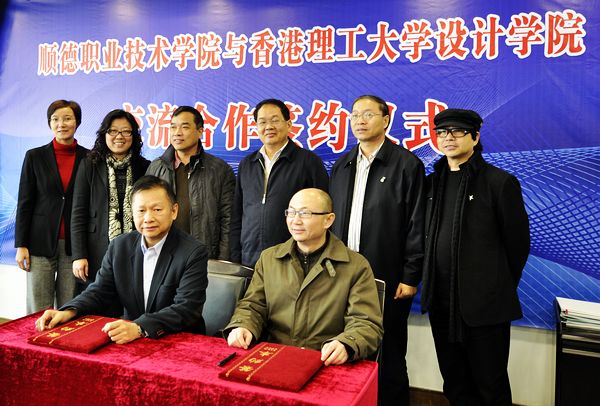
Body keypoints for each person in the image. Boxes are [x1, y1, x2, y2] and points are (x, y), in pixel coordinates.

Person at [420, 109, 530, 405]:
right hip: (441, 303)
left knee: (490, 385)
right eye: (442, 132)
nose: (449, 138)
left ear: (475, 137)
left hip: (484, 307)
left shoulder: (499, 182)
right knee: (454, 382)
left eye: (457, 131)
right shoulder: (431, 184)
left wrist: (494, 286)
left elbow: (518, 245)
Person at [329, 95, 425, 405]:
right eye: (354, 115)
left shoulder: (406, 164)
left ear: (386, 120)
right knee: (345, 345)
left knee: (390, 351)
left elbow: (416, 223)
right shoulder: (342, 165)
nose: (359, 120)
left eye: (368, 114)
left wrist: (410, 275)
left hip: (387, 275)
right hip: (342, 275)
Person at [35, 175, 209, 342]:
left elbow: (186, 308)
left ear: (174, 211)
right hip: (130, 339)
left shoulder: (193, 252)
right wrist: (69, 311)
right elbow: (99, 291)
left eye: (157, 210)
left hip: (179, 341)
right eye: (141, 211)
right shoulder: (120, 246)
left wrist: (140, 328)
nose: (148, 218)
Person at [225, 188, 383, 365]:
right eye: (291, 212)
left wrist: (346, 344)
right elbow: (253, 305)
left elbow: (365, 323)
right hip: (274, 357)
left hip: (325, 361)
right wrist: (243, 325)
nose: (295, 221)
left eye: (305, 213)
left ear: (328, 220)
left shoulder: (355, 266)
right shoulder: (269, 259)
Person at [230, 98, 329, 267]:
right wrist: (235, 257)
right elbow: (237, 214)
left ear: (289, 124)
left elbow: (323, 213)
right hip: (250, 260)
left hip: (293, 260)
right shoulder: (247, 164)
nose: (269, 127)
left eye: (275, 120)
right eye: (262, 122)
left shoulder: (308, 162)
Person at [15, 99, 89, 313]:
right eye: (55, 119)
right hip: (39, 242)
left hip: (74, 246)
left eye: (67, 119)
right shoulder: (35, 156)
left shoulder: (89, 157)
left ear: (77, 123)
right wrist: (21, 245)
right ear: (49, 123)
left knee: (69, 307)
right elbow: (25, 202)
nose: (61, 124)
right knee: (38, 309)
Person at [71, 109, 150, 295]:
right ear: (104, 134)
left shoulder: (145, 167)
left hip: (135, 250)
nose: (119, 136)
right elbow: (78, 213)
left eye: (126, 131)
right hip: (95, 251)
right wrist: (79, 255)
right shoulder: (89, 165)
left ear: (134, 135)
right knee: (94, 303)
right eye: (113, 131)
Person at [146, 105, 235, 260]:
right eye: (173, 127)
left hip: (204, 255)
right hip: (163, 255)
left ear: (200, 131)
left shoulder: (220, 170)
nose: (177, 133)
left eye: (185, 127)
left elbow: (228, 219)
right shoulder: (156, 168)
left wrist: (223, 260)